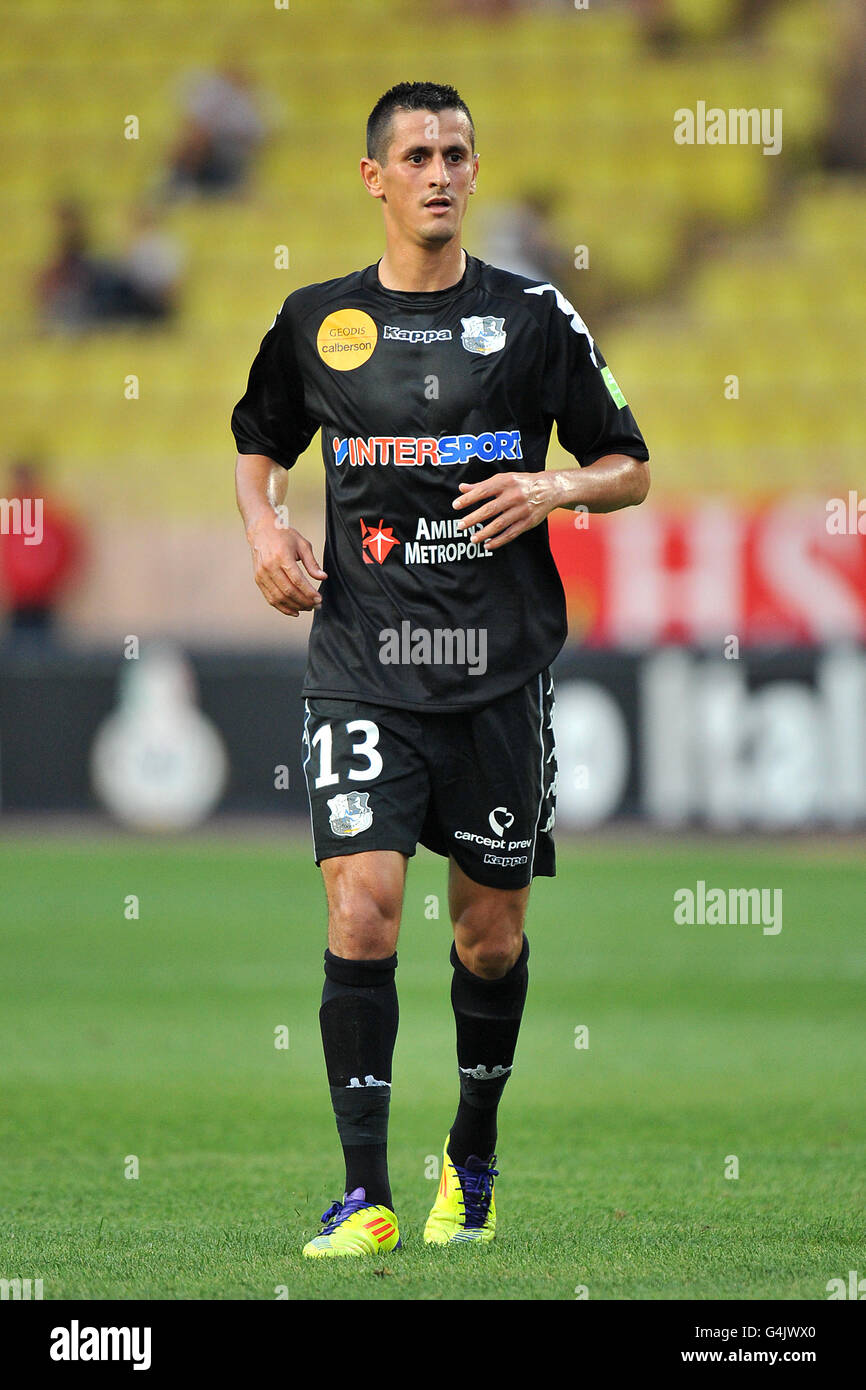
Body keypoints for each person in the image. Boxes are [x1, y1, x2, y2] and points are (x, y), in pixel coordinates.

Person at [231, 80, 650, 1257]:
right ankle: (363, 1195)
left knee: (488, 938)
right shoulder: (316, 320)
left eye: (455, 153)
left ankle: (468, 1163)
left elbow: (628, 463)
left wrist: (551, 483)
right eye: (414, 153)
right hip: (363, 666)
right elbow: (257, 445)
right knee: (362, 908)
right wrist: (265, 531)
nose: (437, 171)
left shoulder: (530, 316)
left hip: (497, 672)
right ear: (373, 177)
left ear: (473, 171)